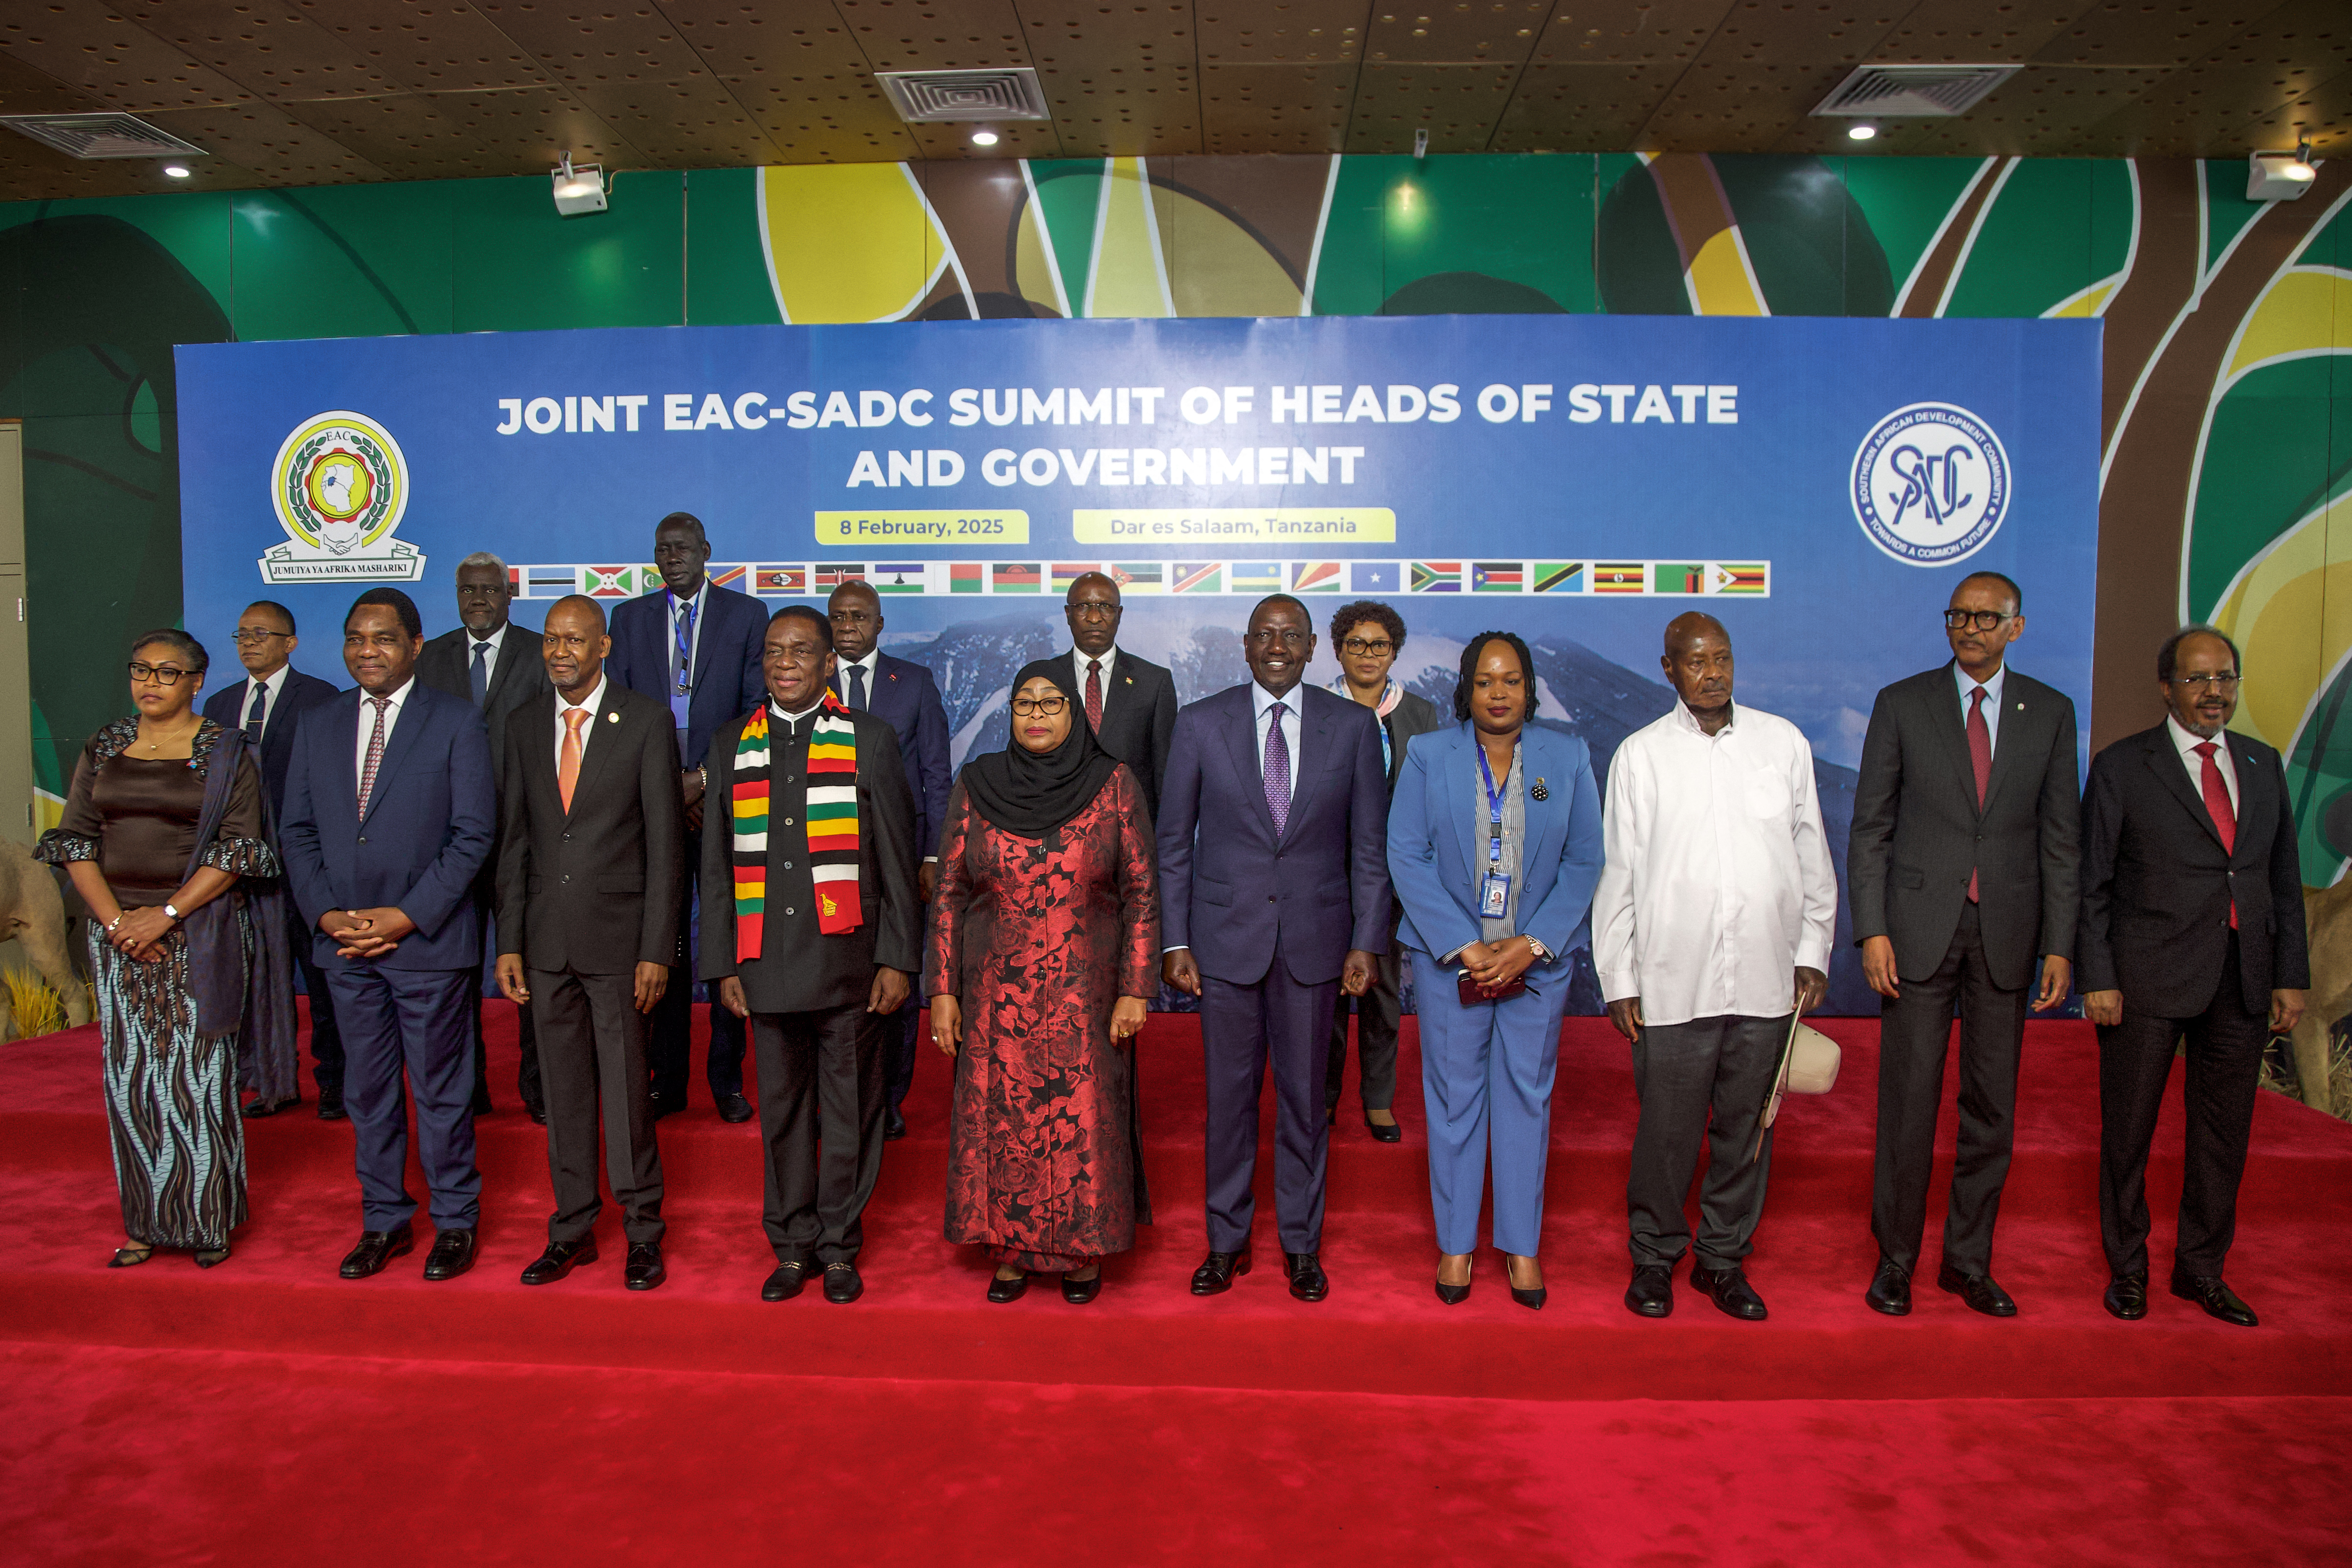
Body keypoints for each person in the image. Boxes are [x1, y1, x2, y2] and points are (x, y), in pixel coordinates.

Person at [1849, 571, 2081, 1319]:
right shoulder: (1902, 703)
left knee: (1992, 1107)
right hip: (1915, 933)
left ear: (2016, 627)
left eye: (1987, 618)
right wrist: (1873, 927)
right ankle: (1896, 1260)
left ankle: (1967, 1262)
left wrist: (2060, 943)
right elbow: (1870, 829)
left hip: (2010, 932)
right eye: (1959, 615)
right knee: (1909, 1102)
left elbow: (2061, 840)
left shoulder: (2049, 711)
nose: (1971, 628)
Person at [1596, 612, 1835, 1322]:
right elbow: (1620, 873)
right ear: (1668, 669)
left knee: (1746, 1130)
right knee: (1667, 1134)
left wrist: (1812, 950)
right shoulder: (1640, 755)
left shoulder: (1781, 742)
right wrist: (1620, 978)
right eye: (1695, 661)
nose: (1713, 672)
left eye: (1722, 658)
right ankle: (1654, 1259)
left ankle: (1723, 1261)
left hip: (1766, 978)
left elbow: (1811, 855)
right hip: (1672, 980)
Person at [1159, 594, 1388, 1303]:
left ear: (1314, 646)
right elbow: (1173, 844)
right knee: (1228, 1103)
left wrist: (1365, 942)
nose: (1279, 645)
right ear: (1246, 644)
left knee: (1302, 1105)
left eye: (1292, 635)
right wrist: (1175, 939)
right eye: (1266, 634)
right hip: (1224, 947)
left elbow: (1370, 851)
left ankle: (1301, 1245)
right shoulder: (1200, 724)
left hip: (1316, 949)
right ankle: (1225, 1242)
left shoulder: (1353, 727)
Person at [2079, 626, 2309, 1328]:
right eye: (2199, 679)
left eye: (2226, 678)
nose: (2215, 692)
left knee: (2222, 1134)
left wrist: (2289, 974)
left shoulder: (2263, 764)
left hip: (2242, 978)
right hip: (2145, 979)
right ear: (2167, 686)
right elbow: (2093, 885)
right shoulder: (2124, 766)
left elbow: (2281, 879)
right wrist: (2099, 976)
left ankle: (2201, 1270)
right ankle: (2129, 1269)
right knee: (2130, 1132)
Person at [38, 631, 283, 1269]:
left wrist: (165, 915)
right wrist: (119, 921)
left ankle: (204, 1221)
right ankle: (145, 1222)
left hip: (195, 931)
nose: (150, 682)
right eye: (140, 670)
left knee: (196, 1080)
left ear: (197, 681)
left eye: (167, 673)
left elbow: (237, 851)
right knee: (131, 1080)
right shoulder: (106, 744)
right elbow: (76, 839)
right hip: (117, 934)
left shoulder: (227, 751)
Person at [701, 606, 920, 1306]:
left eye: (801, 651)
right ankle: (791, 1246)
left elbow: (894, 860)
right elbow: (714, 871)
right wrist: (724, 965)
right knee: (784, 1113)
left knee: (851, 1111)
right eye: (773, 652)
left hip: (850, 966)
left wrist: (897, 961)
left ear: (830, 663)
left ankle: (838, 1246)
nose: (785, 663)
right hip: (763, 966)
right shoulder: (731, 744)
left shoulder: (870, 740)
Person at [279, 588, 498, 1283]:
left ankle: (456, 1221)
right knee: (367, 1093)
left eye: (381, 639)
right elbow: (296, 831)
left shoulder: (456, 721)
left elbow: (473, 836)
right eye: (354, 639)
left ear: (415, 645)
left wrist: (405, 915)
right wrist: (327, 914)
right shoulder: (318, 724)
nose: (365, 651)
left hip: (427, 943)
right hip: (343, 944)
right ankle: (384, 1219)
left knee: (441, 1091)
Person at [929, 661, 1160, 1303]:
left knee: (1081, 1123)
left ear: (1074, 714)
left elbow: (1141, 889)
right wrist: (943, 988)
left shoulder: (1113, 784)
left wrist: (1137, 988)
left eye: (1050, 703)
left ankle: (1083, 1251)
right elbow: (948, 889)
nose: (1035, 714)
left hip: (1087, 994)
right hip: (995, 998)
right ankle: (1009, 1250)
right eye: (1024, 703)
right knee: (1003, 1124)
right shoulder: (978, 783)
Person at [1388, 632, 1603, 1309]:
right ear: (1467, 689)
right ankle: (1456, 1243)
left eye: (1511, 680)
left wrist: (1534, 941)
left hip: (1536, 962)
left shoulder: (1568, 755)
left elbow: (1585, 860)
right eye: (1485, 681)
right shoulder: (1428, 754)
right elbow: (1407, 854)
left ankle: (1521, 1245)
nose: (1499, 693)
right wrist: (1463, 942)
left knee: (1526, 1098)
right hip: (1451, 961)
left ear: (1530, 687)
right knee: (1453, 1098)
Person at [496, 596, 683, 1293]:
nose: (560, 651)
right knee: (565, 1096)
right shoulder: (520, 725)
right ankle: (572, 1228)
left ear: (604, 647)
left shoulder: (644, 722)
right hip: (545, 944)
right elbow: (515, 841)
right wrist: (509, 938)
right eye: (550, 639)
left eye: (575, 639)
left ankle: (642, 1233)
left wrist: (656, 949)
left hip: (620, 945)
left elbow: (667, 847)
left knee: (629, 1096)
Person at [609, 512, 769, 1122]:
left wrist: (703, 780)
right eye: (661, 550)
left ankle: (726, 1078)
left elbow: (756, 709)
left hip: (721, 805)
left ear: (706, 551)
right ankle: (666, 1077)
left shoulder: (746, 616)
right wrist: (662, 788)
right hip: (651, 809)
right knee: (662, 942)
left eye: (681, 547)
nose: (671, 557)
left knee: (726, 942)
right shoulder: (629, 620)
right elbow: (619, 710)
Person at [417, 551, 552, 1121]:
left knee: (534, 966)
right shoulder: (432, 658)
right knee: (453, 971)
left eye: (489, 590)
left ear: (508, 595)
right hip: (450, 837)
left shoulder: (539, 652)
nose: (478, 599)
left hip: (526, 832)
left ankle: (539, 1089)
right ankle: (466, 1086)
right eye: (467, 590)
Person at [200, 599, 343, 1118]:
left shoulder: (323, 699)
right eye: (242, 634)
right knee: (256, 985)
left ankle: (335, 1082)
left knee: (324, 982)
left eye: (261, 633)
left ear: (291, 642)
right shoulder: (218, 706)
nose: (249, 642)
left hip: (308, 869)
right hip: (241, 873)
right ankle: (268, 1082)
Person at [828, 578, 952, 1141]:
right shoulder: (809, 679)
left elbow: (935, 774)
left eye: (859, 617)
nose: (848, 626)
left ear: (879, 625)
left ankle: (891, 1098)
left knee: (897, 973)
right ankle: (840, 1092)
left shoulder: (915, 682)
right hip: (824, 856)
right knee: (838, 974)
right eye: (838, 617)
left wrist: (933, 855)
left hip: (901, 855)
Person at [1324, 599, 1446, 1141]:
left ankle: (1377, 1099)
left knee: (1382, 989)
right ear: (1337, 650)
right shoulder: (1314, 707)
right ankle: (1320, 1097)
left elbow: (1430, 799)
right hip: (1323, 875)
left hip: (1392, 878)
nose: (1367, 654)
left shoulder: (1419, 715)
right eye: (1356, 643)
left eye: (1378, 644)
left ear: (1394, 651)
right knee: (1321, 993)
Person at [1063, 571, 1178, 823]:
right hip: (1059, 842)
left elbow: (1165, 777)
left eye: (1105, 606)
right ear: (1068, 614)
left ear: (1119, 614)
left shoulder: (1154, 682)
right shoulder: (1045, 680)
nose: (1094, 618)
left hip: (1132, 839)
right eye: (1083, 606)